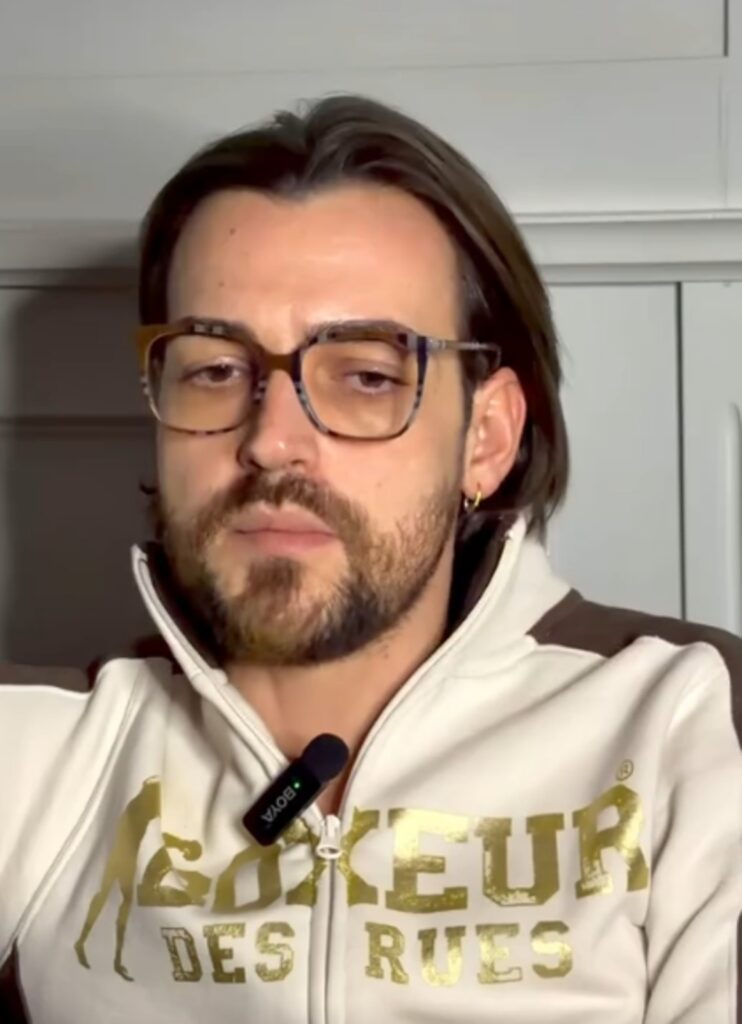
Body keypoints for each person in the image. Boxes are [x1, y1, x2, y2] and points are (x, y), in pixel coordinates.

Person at [0, 94, 739, 1024]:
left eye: (366, 376)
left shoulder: (689, 721)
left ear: (486, 437)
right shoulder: (39, 748)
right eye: (215, 369)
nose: (272, 442)